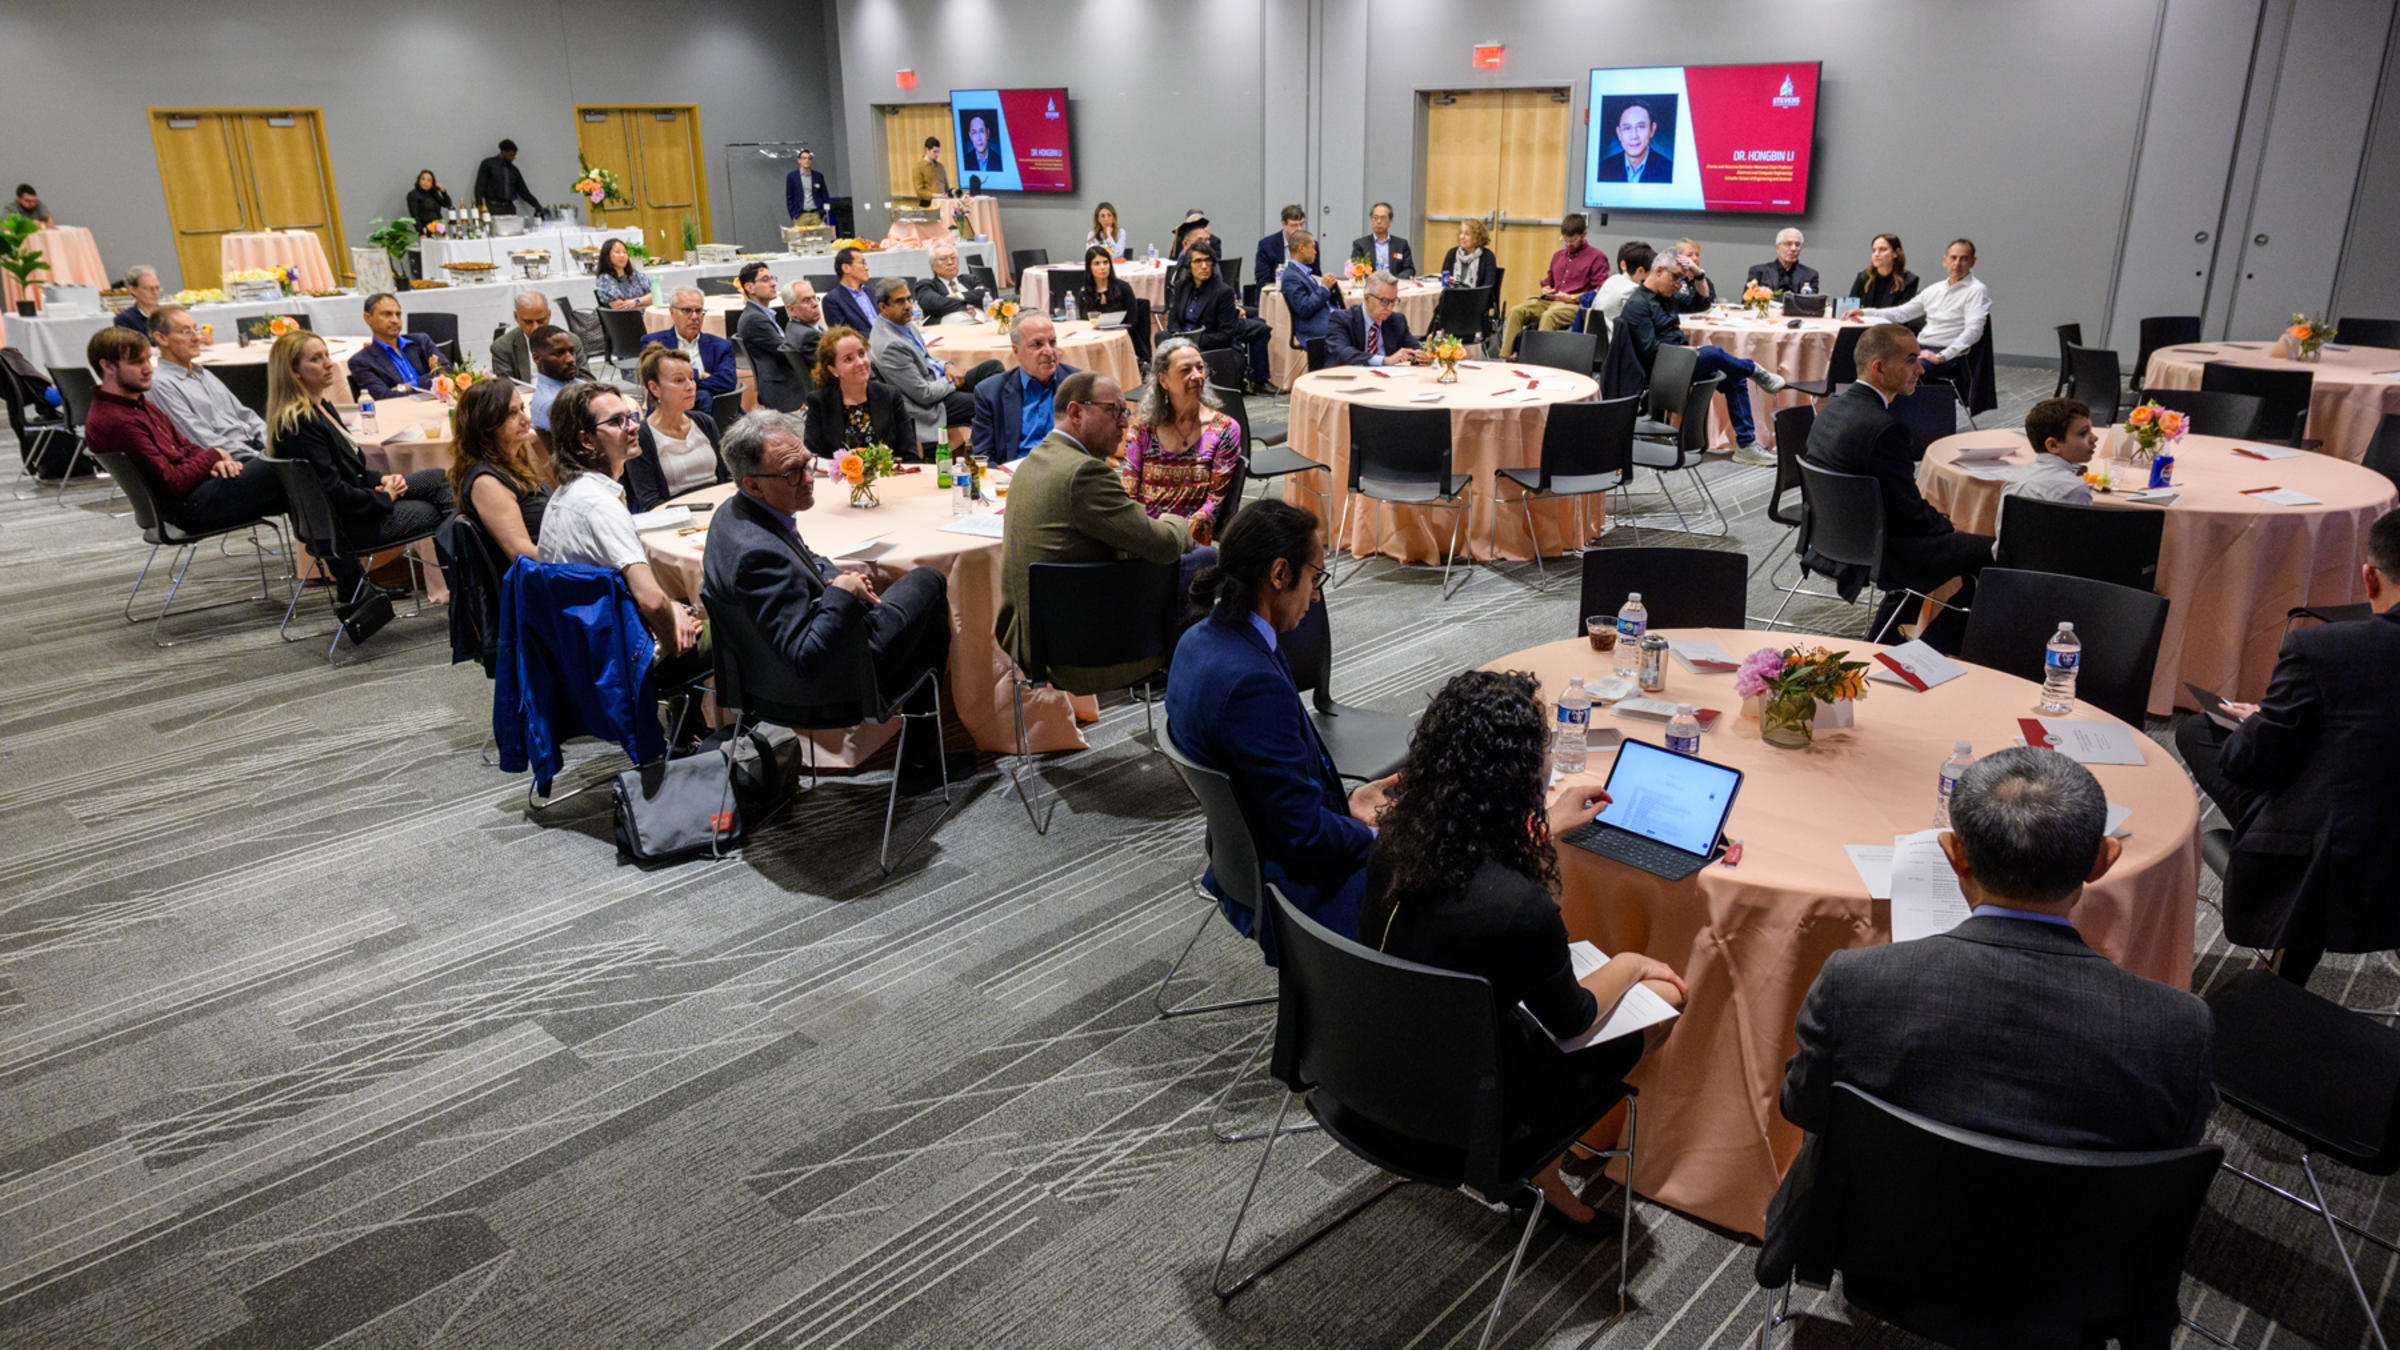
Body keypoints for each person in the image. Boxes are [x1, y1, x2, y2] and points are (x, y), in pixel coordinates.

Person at [1761, 747, 2216, 1275]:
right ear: (2104, 860)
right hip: (2074, 1279)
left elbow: (1803, 1109)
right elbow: (2169, 1152)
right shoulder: (2178, 1028)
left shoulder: (1855, 983)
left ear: (1954, 854)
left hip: (1877, 1254)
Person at [1363, 669, 1688, 1226]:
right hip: (1478, 1110)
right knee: (1665, 993)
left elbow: (1470, 872)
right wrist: (1630, 962)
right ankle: (1540, 1164)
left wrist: (1543, 827)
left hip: (1373, 1068)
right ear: (1519, 775)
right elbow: (1572, 1020)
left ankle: (1543, 1173)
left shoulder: (1397, 837)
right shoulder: (1518, 907)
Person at [2175, 509, 2400, 987]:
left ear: (2370, 579)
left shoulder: (2325, 649)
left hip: (2331, 859)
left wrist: (2263, 720)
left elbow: (2245, 764)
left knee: (2202, 732)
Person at [1165, 498, 1385, 953]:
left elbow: (1269, 788)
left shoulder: (1198, 641)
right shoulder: (1251, 681)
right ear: (1280, 574)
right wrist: (1373, 835)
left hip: (1240, 862)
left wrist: (1345, 807)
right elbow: (1302, 834)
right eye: (1315, 577)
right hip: (1295, 888)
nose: (1317, 595)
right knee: (1452, 885)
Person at [705, 410, 956, 792]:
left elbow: (803, 558)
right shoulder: (757, 556)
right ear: (754, 485)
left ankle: (923, 754)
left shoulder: (735, 515)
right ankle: (922, 757)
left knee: (913, 611)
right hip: (829, 689)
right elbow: (805, 656)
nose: (808, 479)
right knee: (929, 581)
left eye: (808, 464)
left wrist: (834, 578)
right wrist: (842, 594)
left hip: (759, 683)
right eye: (792, 473)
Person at [998, 371, 1195, 688]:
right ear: (1076, 412)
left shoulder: (1034, 461)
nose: (1124, 423)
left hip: (1033, 638)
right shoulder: (1083, 473)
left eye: (1125, 412)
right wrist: (1178, 521)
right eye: (1114, 410)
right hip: (1079, 653)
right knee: (1203, 562)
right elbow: (1164, 545)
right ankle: (1194, 708)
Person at [1803, 323, 1990, 648]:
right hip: (1875, 549)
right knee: (1988, 550)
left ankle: (1892, 640)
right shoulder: (1884, 429)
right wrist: (1946, 525)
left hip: (1831, 538)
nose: (1920, 369)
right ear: (1879, 368)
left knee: (1947, 542)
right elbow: (1908, 513)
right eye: (1910, 360)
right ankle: (1939, 649)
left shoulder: (1829, 411)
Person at [539, 383, 708, 738]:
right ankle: (744, 740)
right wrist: (672, 637)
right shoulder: (600, 506)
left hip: (585, 649)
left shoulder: (566, 495)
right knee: (732, 622)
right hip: (617, 660)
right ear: (587, 441)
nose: (633, 426)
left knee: (679, 608)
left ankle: (688, 734)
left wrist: (672, 612)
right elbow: (648, 599)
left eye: (632, 416)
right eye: (618, 421)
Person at [263, 330, 454, 607]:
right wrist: (385, 497)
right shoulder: (300, 424)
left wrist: (384, 478)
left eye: (327, 355)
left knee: (439, 479)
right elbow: (333, 492)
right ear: (294, 372)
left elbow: (351, 471)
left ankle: (462, 580)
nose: (329, 364)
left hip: (352, 509)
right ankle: (464, 583)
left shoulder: (320, 407)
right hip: (349, 525)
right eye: (316, 359)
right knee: (440, 508)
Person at [82, 326, 285, 535]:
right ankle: (314, 556)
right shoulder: (116, 420)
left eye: (147, 359)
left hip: (199, 490)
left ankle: (312, 557)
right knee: (289, 463)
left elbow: (185, 446)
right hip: (187, 509)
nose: (148, 368)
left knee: (299, 478)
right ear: (107, 366)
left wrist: (216, 462)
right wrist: (214, 454)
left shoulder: (136, 403)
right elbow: (173, 482)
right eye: (136, 362)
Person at [1618, 254, 1790, 462]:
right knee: (1713, 353)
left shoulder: (1667, 296)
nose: (1678, 284)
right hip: (1658, 372)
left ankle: (1746, 445)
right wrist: (1691, 351)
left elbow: (1702, 303)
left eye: (1682, 279)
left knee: (1732, 375)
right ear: (1659, 271)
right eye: (1675, 278)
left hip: (1679, 363)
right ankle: (1753, 369)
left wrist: (1699, 275)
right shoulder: (1638, 304)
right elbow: (1652, 351)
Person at [1121, 337, 1241, 550]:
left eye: (1200, 368)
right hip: (1144, 536)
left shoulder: (1224, 429)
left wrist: (1174, 537)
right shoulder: (1142, 429)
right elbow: (1129, 490)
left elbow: (1214, 500)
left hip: (1191, 540)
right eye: (1185, 370)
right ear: (1163, 380)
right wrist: (1145, 534)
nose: (1197, 376)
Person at [867, 277, 1002, 455]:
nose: (908, 306)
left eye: (909, 299)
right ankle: (992, 454)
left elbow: (926, 359)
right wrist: (952, 381)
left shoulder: (903, 323)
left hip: (938, 383)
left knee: (992, 368)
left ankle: (997, 442)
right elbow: (924, 394)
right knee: (989, 400)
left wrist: (947, 365)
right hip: (929, 406)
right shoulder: (889, 345)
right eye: (900, 301)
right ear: (883, 307)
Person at [446, 377, 548, 562]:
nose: (526, 419)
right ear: (487, 424)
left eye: (522, 409)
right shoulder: (486, 483)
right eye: (512, 413)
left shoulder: (511, 462)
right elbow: (522, 554)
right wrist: (582, 560)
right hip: (543, 579)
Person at [145, 305, 267, 458]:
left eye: (195, 329)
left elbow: (245, 415)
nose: (197, 337)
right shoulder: (161, 384)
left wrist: (272, 443)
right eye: (185, 332)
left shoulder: (203, 373)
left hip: (255, 447)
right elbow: (200, 439)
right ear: (161, 338)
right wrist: (260, 457)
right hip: (234, 459)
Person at [1851, 238, 1990, 372]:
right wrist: (1865, 312)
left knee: (1896, 371)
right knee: (1875, 365)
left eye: (1964, 259)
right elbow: (1901, 313)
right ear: (1945, 261)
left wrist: (1941, 357)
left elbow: (1973, 331)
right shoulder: (1934, 289)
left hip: (1945, 354)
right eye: (1953, 258)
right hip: (1919, 348)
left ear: (1973, 262)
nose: (1957, 264)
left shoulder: (1976, 290)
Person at [970, 313, 1080, 467]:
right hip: (1014, 479)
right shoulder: (990, 393)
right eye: (1037, 344)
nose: (1049, 351)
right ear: (1016, 351)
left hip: (1066, 474)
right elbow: (982, 457)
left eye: (1052, 342)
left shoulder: (1078, 383)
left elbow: (1096, 446)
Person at [624, 346, 725, 511]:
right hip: (675, 519)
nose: (690, 386)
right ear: (655, 388)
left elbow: (726, 478)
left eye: (691, 378)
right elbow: (650, 502)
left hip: (717, 510)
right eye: (679, 380)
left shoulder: (704, 422)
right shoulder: (641, 436)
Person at [1500, 214, 1609, 358]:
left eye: (1574, 240)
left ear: (1584, 234)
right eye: (1565, 240)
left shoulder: (1597, 257)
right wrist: (1546, 289)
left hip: (1573, 304)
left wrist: (1572, 298)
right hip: (1550, 300)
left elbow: (1599, 291)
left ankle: (1538, 361)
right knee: (1516, 311)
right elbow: (1548, 281)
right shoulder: (1558, 256)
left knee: (1549, 316)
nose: (1569, 244)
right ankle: (1506, 357)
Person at [804, 325, 913, 464]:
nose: (860, 363)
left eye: (862, 354)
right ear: (833, 370)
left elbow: (909, 454)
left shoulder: (890, 396)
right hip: (839, 483)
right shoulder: (819, 403)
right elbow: (813, 458)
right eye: (848, 359)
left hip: (888, 480)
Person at [1997, 396, 2096, 531]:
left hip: (2007, 551)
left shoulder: (2018, 475)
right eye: (2083, 433)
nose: (2094, 438)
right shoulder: (2075, 489)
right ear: (2053, 445)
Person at [640, 288, 736, 401]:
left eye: (699, 311)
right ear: (672, 312)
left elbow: (727, 384)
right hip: (669, 408)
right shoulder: (654, 343)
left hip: (712, 409)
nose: (695, 317)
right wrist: (698, 374)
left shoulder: (721, 346)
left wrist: (679, 381)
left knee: (703, 397)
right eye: (687, 310)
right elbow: (656, 383)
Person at [735, 261, 806, 413]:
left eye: (772, 278)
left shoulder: (761, 314)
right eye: (766, 280)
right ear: (749, 287)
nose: (773, 284)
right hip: (783, 390)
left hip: (785, 382)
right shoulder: (753, 319)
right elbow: (786, 352)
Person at [348, 292, 446, 400]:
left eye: (398, 314)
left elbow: (448, 372)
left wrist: (406, 386)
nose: (395, 320)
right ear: (368, 318)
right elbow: (384, 396)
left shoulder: (421, 341)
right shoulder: (362, 361)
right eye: (387, 314)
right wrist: (432, 376)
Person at [1326, 271, 1422, 368]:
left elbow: (1413, 348)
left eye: (1393, 301)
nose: (1389, 308)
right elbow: (1342, 353)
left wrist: (1423, 354)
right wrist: (1384, 360)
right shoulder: (1342, 319)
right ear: (1367, 298)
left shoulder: (1397, 321)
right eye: (1384, 301)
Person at [1166, 244, 1243, 353]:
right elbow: (1173, 320)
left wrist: (1191, 340)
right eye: (1198, 261)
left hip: (1207, 345)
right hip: (1182, 342)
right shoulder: (1181, 286)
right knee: (1161, 337)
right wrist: (1178, 336)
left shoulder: (1223, 292)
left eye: (1208, 261)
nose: (1204, 266)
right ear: (1189, 265)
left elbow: (1225, 335)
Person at [1276, 230, 1340, 357]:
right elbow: (1304, 308)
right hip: (1314, 327)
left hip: (1328, 316)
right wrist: (1324, 289)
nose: (1315, 252)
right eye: (1312, 248)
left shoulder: (1304, 273)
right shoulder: (1291, 277)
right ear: (1301, 248)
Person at [490, 291, 575, 385]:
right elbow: (504, 387)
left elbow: (586, 379)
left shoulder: (571, 341)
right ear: (516, 317)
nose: (536, 328)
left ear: (549, 315)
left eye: (541, 321)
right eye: (528, 322)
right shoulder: (502, 347)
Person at [1596, 99, 1674, 184]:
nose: (1634, 136)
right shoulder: (1605, 168)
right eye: (1627, 128)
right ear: (1619, 133)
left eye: (1641, 127)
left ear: (1652, 129)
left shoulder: (1669, 170)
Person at [913, 242, 992, 325]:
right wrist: (971, 299)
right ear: (933, 266)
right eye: (943, 259)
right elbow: (937, 304)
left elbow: (988, 295)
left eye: (953, 258)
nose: (950, 262)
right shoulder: (926, 285)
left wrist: (959, 296)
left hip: (981, 320)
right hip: (949, 326)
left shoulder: (970, 279)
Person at [526, 325, 583, 433]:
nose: (570, 359)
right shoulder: (552, 404)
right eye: (559, 353)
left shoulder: (578, 383)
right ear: (536, 358)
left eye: (572, 352)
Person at [1848, 233, 1919, 310]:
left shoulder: (1909, 280)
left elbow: (1903, 314)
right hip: (1864, 321)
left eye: (1883, 249)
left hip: (1891, 322)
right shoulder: (1863, 277)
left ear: (1895, 253)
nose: (1876, 254)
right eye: (1874, 250)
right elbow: (1850, 307)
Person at [820, 246, 878, 336]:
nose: (867, 268)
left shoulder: (872, 292)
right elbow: (843, 335)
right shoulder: (832, 300)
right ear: (846, 268)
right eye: (862, 263)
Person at [1349, 202, 1416, 280]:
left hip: (1395, 285)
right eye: (1375, 217)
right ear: (1371, 220)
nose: (1379, 221)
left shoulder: (1401, 244)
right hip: (1371, 286)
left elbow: (1409, 269)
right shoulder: (1360, 244)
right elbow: (1356, 269)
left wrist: (1393, 280)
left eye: (1383, 218)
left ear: (1390, 221)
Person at [1593, 241, 1653, 326]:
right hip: (1614, 336)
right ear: (1640, 270)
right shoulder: (1632, 289)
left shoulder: (1612, 279)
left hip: (1597, 335)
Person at [472, 139, 539, 216]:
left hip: (509, 209)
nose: (513, 158)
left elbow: (524, 192)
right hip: (492, 207)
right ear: (503, 152)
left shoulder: (514, 170)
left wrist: (536, 205)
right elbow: (480, 187)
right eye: (511, 155)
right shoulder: (488, 164)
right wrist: (479, 206)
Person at [1746, 228, 1820, 295]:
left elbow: (1812, 304)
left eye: (1797, 245)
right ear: (1777, 247)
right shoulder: (1759, 272)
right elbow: (1746, 302)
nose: (1793, 249)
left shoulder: (1810, 275)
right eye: (1788, 244)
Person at [779, 279, 825, 385]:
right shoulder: (808, 336)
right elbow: (831, 368)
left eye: (814, 298)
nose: (815, 304)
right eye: (807, 301)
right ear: (791, 310)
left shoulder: (792, 327)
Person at [593, 238, 649, 311]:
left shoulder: (635, 273)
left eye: (625, 252)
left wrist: (636, 301)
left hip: (646, 315)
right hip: (627, 319)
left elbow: (654, 296)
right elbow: (621, 308)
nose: (622, 255)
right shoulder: (605, 279)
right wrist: (646, 306)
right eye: (617, 252)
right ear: (607, 256)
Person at [1256, 204, 1306, 286]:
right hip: (1275, 292)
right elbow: (1263, 280)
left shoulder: (1310, 245)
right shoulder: (1267, 246)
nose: (1299, 229)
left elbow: (1315, 277)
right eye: (1294, 225)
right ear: (1284, 224)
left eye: (1301, 224)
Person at [1439, 218, 1493, 291]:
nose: (1462, 237)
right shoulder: (1452, 253)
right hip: (1453, 296)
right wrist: (1459, 286)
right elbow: (1445, 280)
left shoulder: (1487, 256)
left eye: (1467, 234)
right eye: (1461, 233)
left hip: (1478, 298)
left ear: (1478, 237)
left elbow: (1488, 286)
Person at [783, 148, 830, 227]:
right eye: (804, 158)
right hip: (800, 215)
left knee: (819, 238)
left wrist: (825, 212)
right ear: (799, 160)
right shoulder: (792, 177)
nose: (807, 160)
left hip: (816, 215)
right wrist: (793, 215)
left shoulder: (818, 176)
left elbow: (825, 195)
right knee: (802, 239)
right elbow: (789, 197)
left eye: (809, 158)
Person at [1669, 238, 1716, 313]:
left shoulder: (1705, 281)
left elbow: (1710, 304)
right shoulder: (1673, 281)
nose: (1695, 258)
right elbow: (1687, 306)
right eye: (1689, 255)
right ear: (1678, 258)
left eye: (1697, 255)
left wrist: (1698, 275)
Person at [113, 266, 164, 333]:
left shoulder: (168, 315)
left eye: (157, 288)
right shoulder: (125, 319)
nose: (155, 293)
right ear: (133, 290)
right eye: (149, 288)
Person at [911, 136, 949, 205]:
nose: (937, 155)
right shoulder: (918, 167)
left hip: (943, 202)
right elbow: (919, 191)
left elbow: (946, 186)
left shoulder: (940, 166)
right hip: (927, 204)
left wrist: (946, 194)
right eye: (935, 152)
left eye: (938, 152)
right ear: (926, 150)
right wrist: (935, 196)